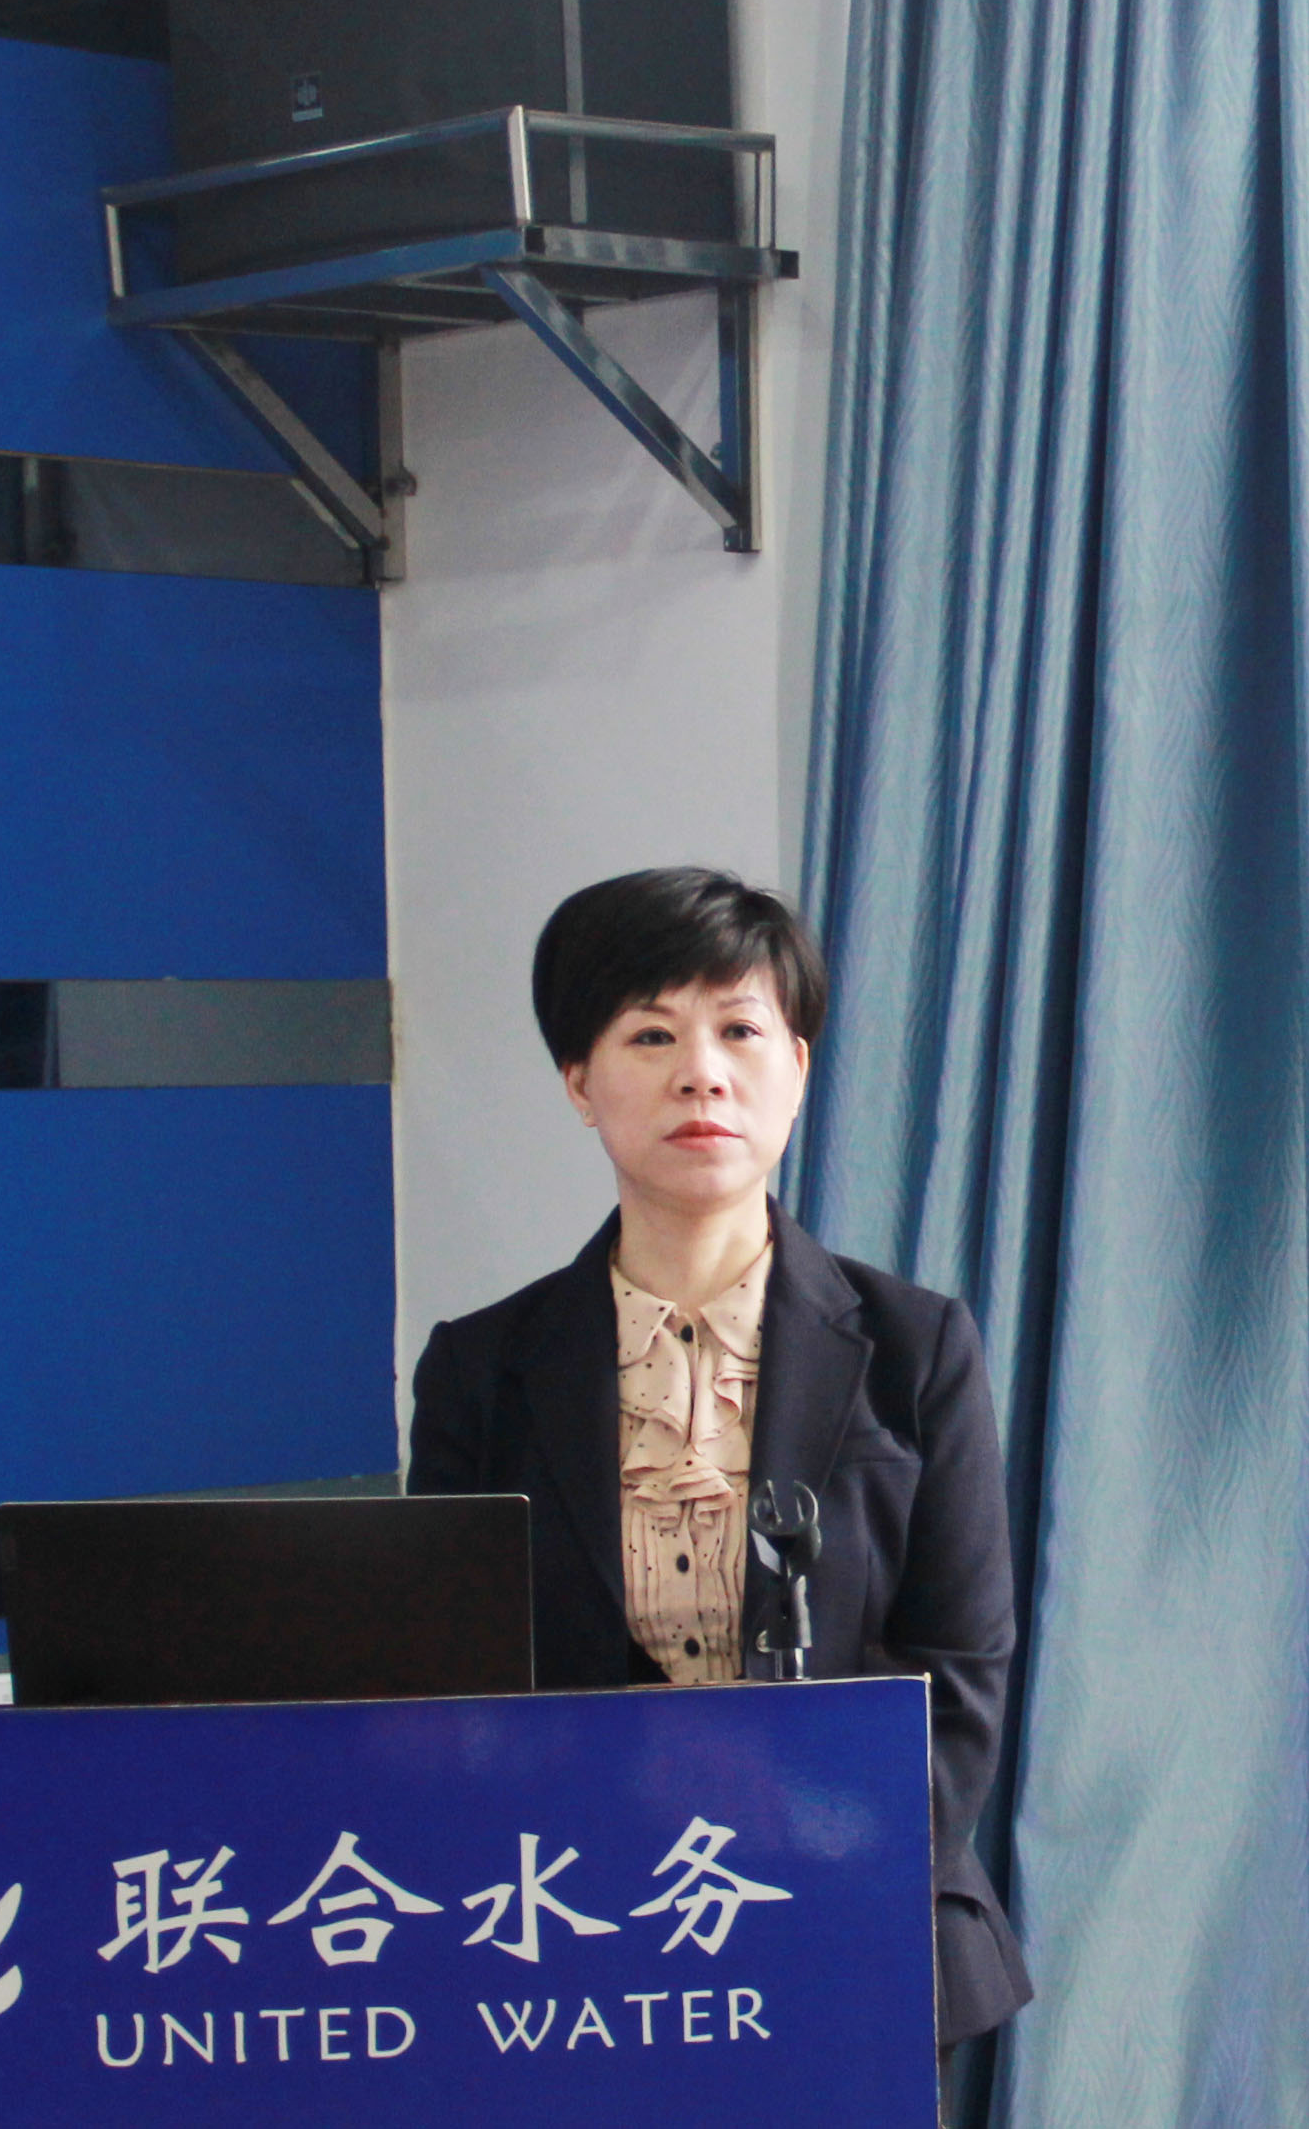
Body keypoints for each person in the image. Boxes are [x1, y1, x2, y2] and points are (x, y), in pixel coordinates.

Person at [404, 866, 1034, 2050]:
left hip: (857, 1929)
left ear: (797, 1065)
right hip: (574, 1946)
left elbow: (961, 1674)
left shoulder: (916, 1349)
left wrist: (818, 1854)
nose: (701, 1072)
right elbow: (449, 1697)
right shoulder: (481, 1369)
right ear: (579, 1081)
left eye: (740, 1030)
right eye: (651, 1035)